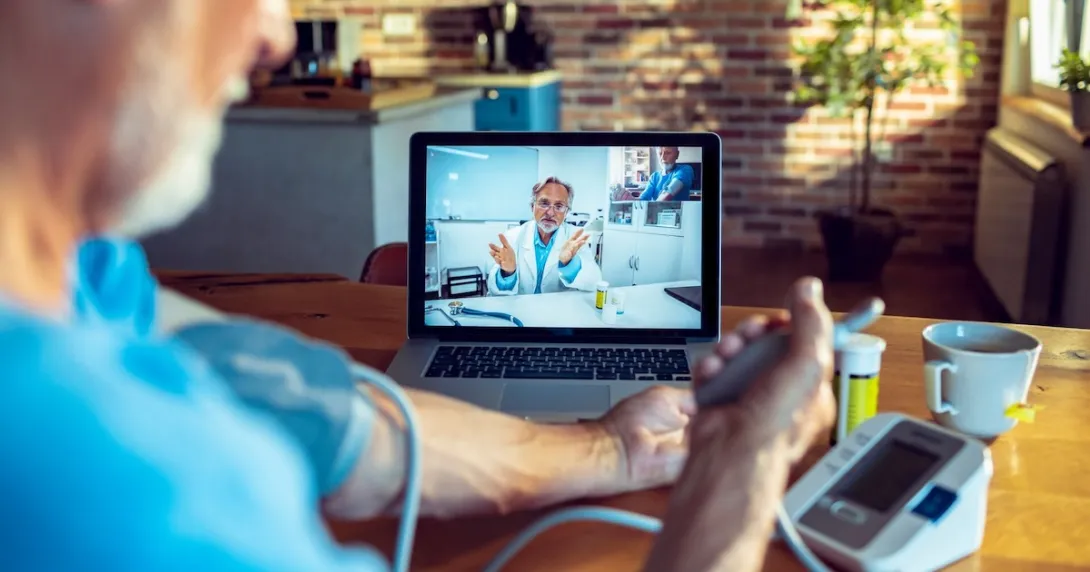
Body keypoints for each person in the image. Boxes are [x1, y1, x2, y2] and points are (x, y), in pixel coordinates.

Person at [0, 2, 836, 571]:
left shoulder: (84, 281)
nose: (276, 33)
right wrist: (740, 468)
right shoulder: (116, 484)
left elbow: (317, 408)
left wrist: (612, 448)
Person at [486, 176, 603, 296]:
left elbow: (594, 282)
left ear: (566, 212)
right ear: (533, 207)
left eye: (559, 206)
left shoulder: (575, 239)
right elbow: (494, 293)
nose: (550, 212)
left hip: (557, 310)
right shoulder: (512, 237)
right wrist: (508, 273)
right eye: (544, 203)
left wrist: (569, 265)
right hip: (521, 309)